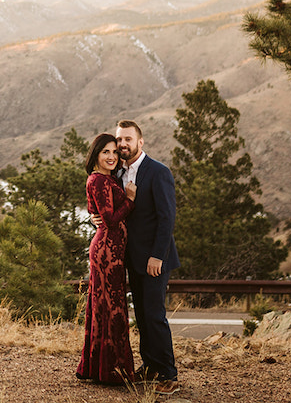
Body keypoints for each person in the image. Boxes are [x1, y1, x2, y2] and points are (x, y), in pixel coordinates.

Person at [115, 119, 180, 395]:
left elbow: (167, 218)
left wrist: (157, 257)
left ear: (140, 142)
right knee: (141, 315)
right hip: (133, 259)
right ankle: (150, 366)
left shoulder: (158, 172)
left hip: (155, 259)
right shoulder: (118, 174)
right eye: (119, 140)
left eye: (128, 139)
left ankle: (169, 374)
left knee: (154, 316)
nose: (122, 144)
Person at [76, 132, 137, 385]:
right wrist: (130, 199)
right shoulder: (98, 180)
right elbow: (111, 219)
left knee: (107, 307)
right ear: (96, 156)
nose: (111, 156)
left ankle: (103, 368)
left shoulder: (107, 179)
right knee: (111, 308)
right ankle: (110, 370)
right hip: (106, 251)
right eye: (105, 152)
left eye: (114, 152)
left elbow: (102, 213)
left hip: (112, 250)